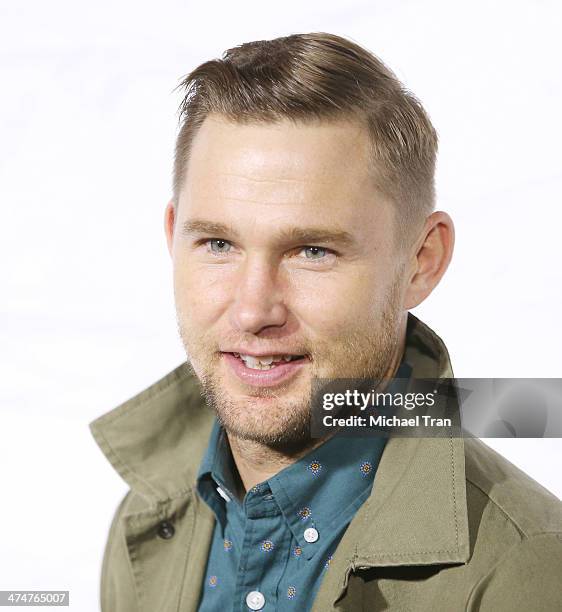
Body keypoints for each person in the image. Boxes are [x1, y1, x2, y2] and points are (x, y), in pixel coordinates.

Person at [89, 32, 562, 611]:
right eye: (218, 243)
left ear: (422, 260)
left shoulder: (529, 568)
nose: (253, 310)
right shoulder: (150, 516)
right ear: (172, 237)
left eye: (313, 251)